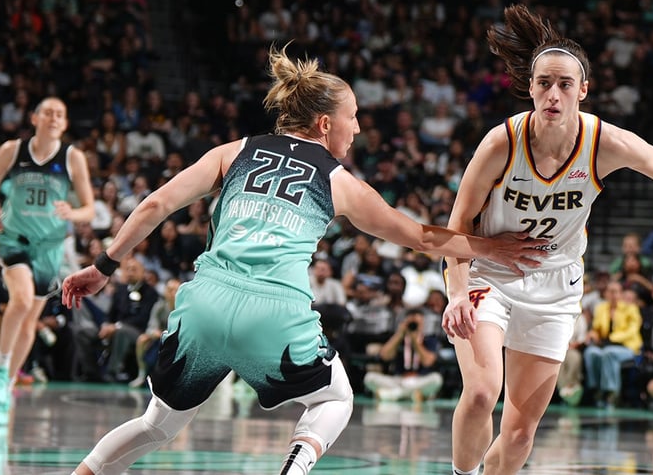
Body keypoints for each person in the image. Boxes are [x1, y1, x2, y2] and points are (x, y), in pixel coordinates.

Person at [60, 46, 546, 475]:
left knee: (156, 425)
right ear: (325, 123)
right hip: (275, 313)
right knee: (336, 398)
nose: (358, 127)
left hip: (204, 302)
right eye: (353, 116)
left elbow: (153, 206)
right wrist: (490, 247)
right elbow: (421, 236)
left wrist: (102, 267)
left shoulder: (235, 151)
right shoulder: (338, 180)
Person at [441, 5, 653, 475]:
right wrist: (458, 291)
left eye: (565, 84)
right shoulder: (501, 142)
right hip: (492, 273)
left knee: (520, 433)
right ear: (530, 87)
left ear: (583, 90)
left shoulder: (606, 142)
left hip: (556, 285)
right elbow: (456, 227)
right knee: (483, 392)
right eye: (544, 82)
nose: (553, 93)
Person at [0, 97, 96, 426]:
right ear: (35, 118)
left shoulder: (72, 157)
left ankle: (4, 387)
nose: (53, 118)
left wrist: (72, 212)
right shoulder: (12, 150)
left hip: (49, 248)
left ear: (64, 124)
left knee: (27, 323)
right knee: (20, 299)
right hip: (14, 240)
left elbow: (89, 209)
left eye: (60, 114)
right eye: (47, 112)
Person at [583, 281, 643, 409]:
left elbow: (632, 331)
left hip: (627, 347)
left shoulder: (631, 309)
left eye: (616, 291)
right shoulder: (601, 308)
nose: (613, 294)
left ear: (621, 294)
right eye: (610, 291)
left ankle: (611, 393)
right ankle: (596, 390)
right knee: (591, 352)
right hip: (605, 346)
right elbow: (597, 328)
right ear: (606, 294)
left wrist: (611, 338)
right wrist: (593, 334)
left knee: (609, 353)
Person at [362, 309, 443, 402]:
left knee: (436, 379)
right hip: (398, 380)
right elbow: (384, 356)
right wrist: (399, 334)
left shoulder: (429, 340)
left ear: (422, 324)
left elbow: (428, 362)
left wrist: (415, 342)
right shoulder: (398, 339)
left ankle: (393, 395)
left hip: (419, 379)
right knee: (369, 378)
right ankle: (411, 395)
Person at [128, 277, 181, 388]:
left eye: (176, 290)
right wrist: (155, 332)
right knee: (142, 340)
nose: (172, 293)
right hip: (159, 338)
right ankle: (142, 374)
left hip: (179, 340)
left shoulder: (184, 308)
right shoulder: (159, 307)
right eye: (170, 289)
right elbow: (152, 326)